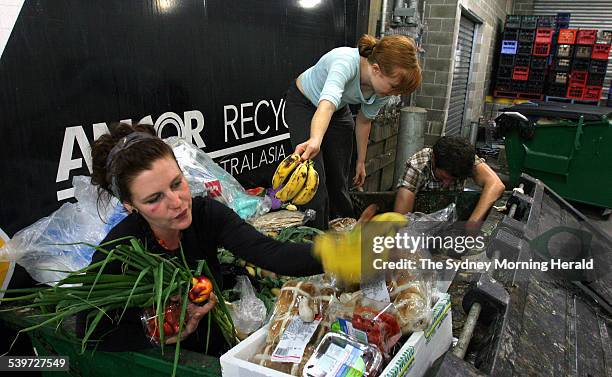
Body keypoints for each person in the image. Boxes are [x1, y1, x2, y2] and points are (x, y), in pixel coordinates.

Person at [78, 123, 323, 355]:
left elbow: (272, 253)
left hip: (215, 351)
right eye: (154, 199)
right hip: (166, 362)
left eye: (177, 183)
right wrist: (156, 325)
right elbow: (88, 330)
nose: (177, 202)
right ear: (131, 206)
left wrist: (345, 252)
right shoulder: (120, 249)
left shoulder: (206, 214)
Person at [284, 34, 422, 229]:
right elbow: (327, 105)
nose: (394, 95)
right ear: (376, 69)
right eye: (393, 88)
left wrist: (361, 161)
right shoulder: (344, 62)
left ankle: (344, 227)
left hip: (338, 109)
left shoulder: (383, 89)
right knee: (314, 177)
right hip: (306, 103)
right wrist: (315, 139)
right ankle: (316, 237)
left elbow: (364, 121)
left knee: (340, 176)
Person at [393, 136, 505, 226]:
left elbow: (496, 185)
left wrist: (472, 223)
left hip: (450, 220)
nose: (446, 184)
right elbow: (400, 219)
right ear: (434, 160)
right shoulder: (418, 165)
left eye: (453, 180)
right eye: (443, 177)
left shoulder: (464, 159)